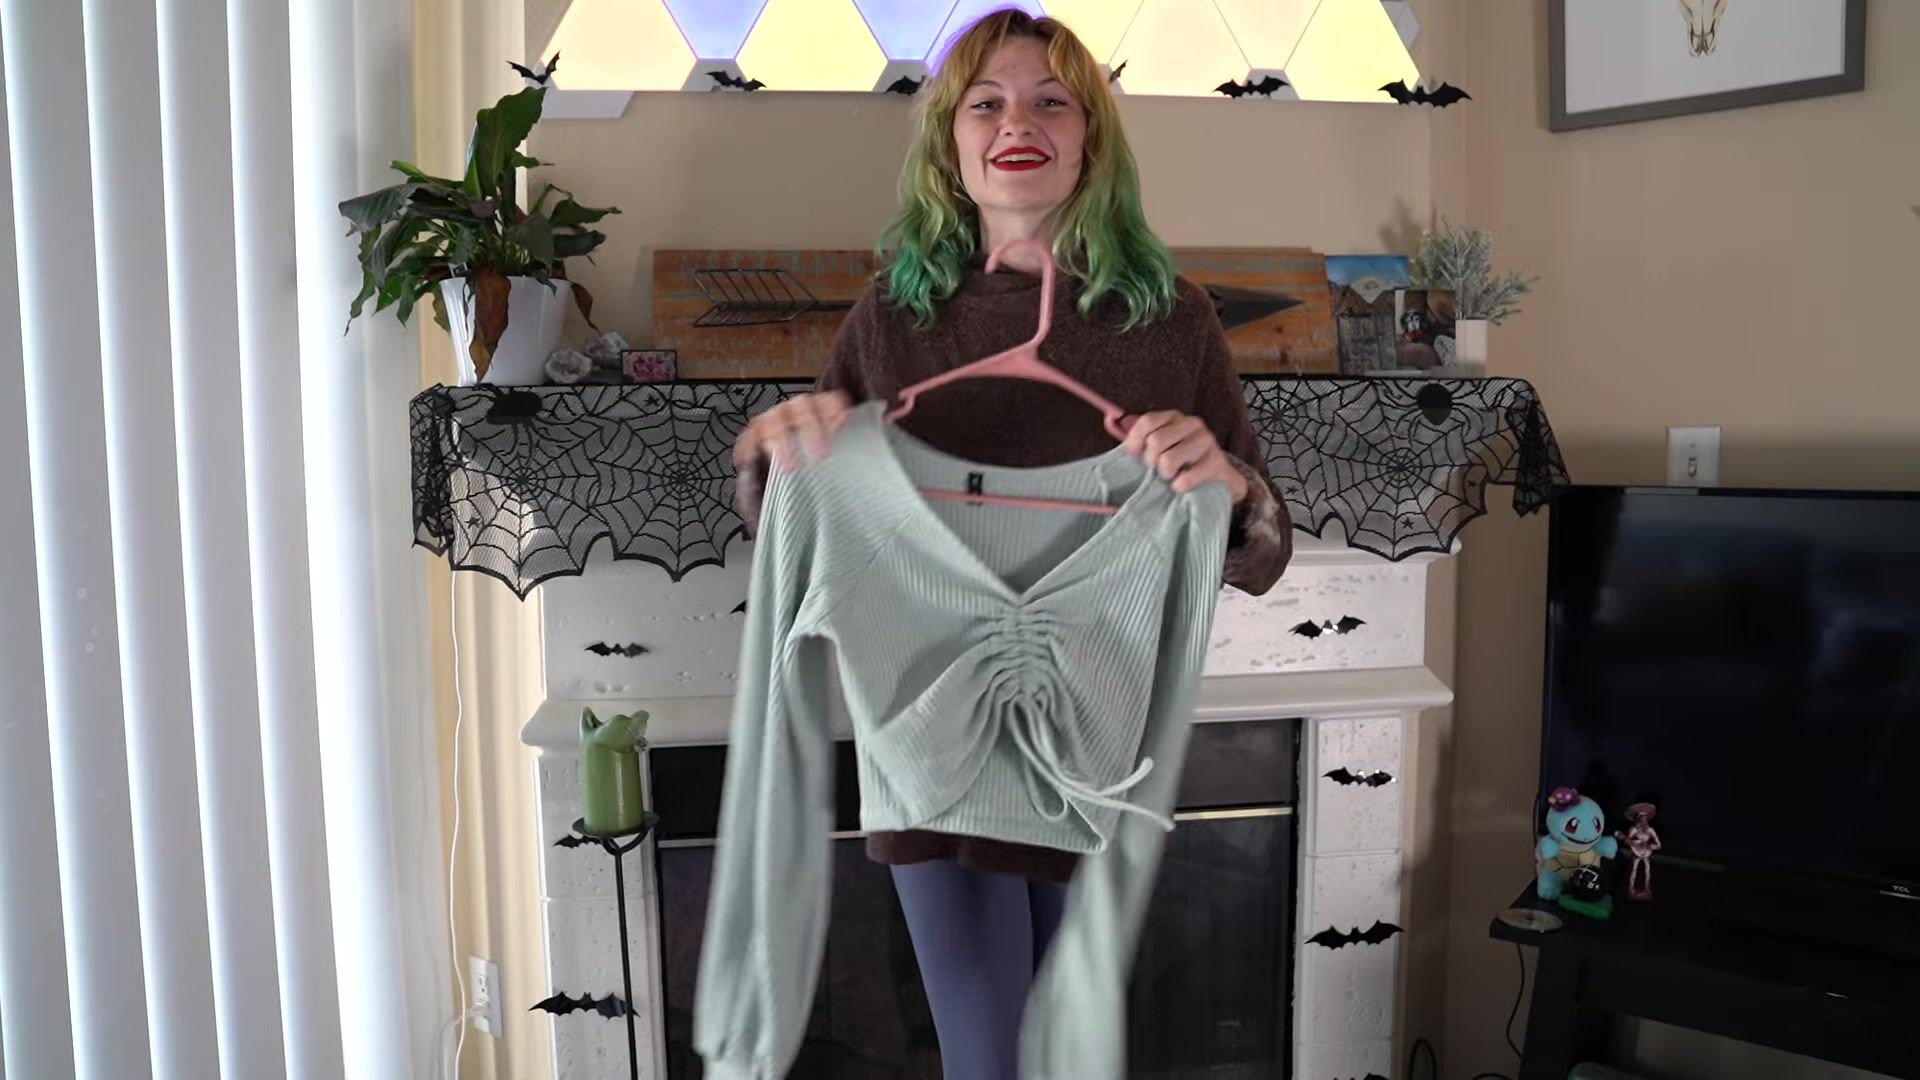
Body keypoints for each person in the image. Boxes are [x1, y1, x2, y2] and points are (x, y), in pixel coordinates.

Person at [727, 10, 1293, 1077]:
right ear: (950, 141)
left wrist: (1230, 486)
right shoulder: (892, 317)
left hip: (1100, 736)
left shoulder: (1172, 319)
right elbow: (803, 534)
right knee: (986, 1054)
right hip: (926, 734)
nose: (1015, 123)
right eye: (984, 103)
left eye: (1049, 102)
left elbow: (1263, 555)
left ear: (1091, 139)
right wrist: (777, 457)